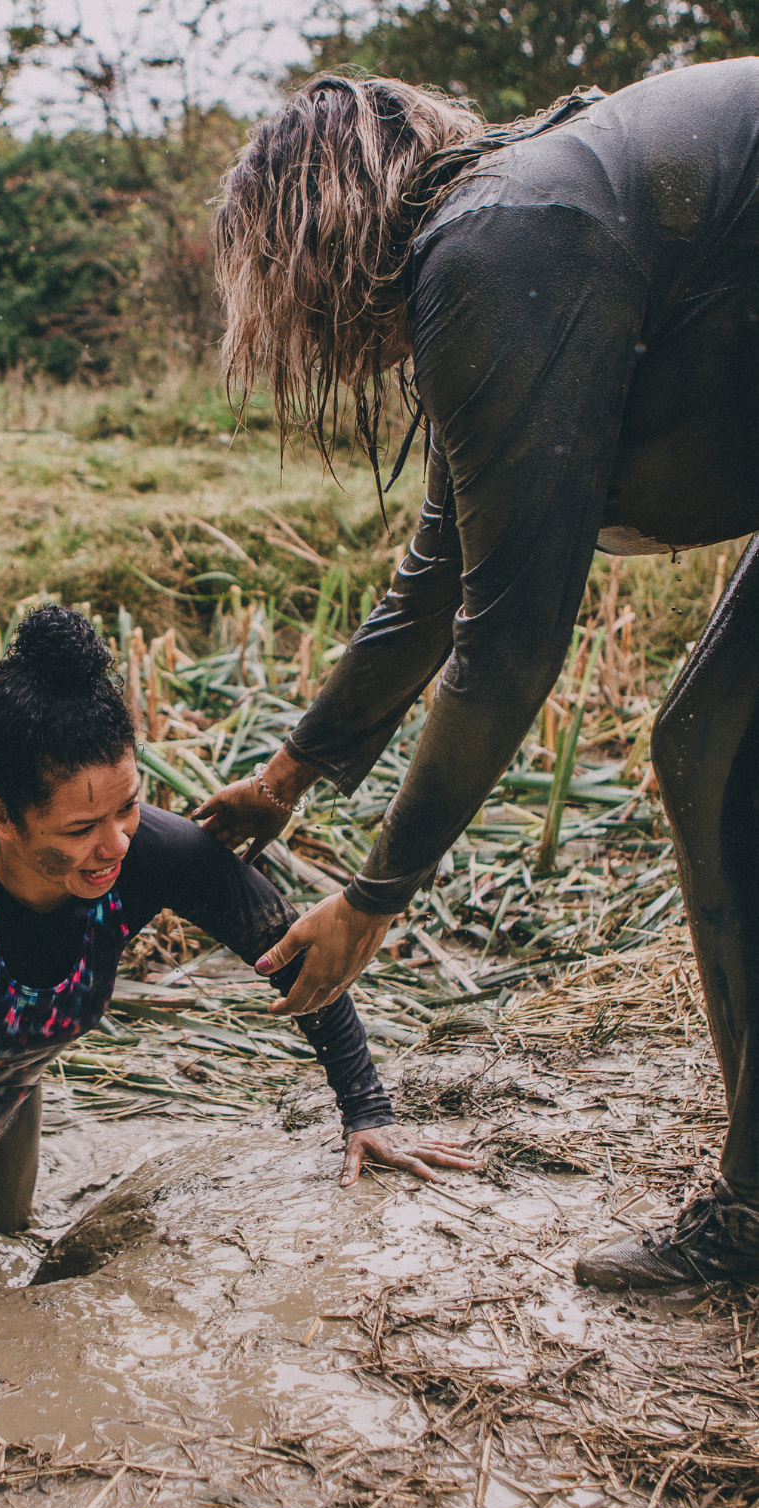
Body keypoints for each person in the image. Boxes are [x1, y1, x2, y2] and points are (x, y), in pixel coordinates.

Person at [205, 62, 759, 1288]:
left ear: (317, 240)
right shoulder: (508, 243)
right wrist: (288, 777)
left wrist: (372, 897)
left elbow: (507, 643)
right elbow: (435, 586)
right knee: (713, 752)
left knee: (723, 759)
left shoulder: (494, 247)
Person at [0, 606, 475, 1361]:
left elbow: (296, 954)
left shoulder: (151, 854)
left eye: (129, 808)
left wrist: (366, 1111)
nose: (113, 847)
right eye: (78, 830)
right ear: (1, 815)